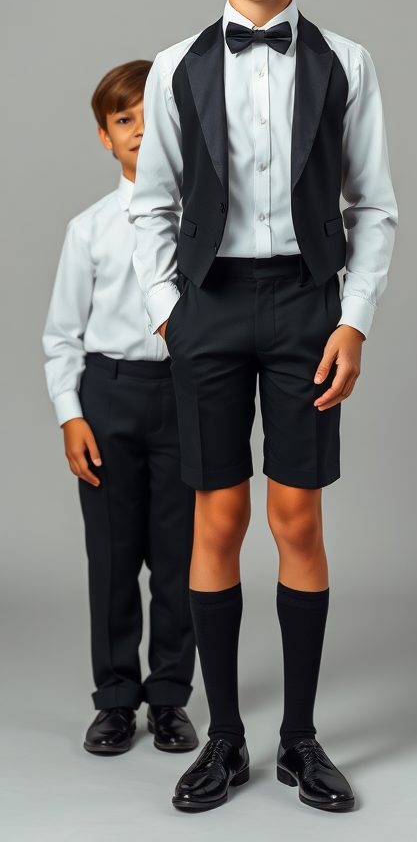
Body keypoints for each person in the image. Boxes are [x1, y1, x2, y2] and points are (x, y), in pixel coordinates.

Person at [130, 0, 397, 811]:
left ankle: (299, 739)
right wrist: (169, 310)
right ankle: (227, 740)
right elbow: (149, 205)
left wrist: (353, 322)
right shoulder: (175, 68)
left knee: (295, 517)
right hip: (207, 306)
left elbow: (375, 207)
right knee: (218, 517)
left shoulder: (347, 63)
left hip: (303, 307)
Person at [43, 61, 198, 757]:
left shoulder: (207, 225)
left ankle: (169, 697)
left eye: (150, 116)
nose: (139, 131)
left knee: (179, 558)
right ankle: (114, 698)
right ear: (105, 137)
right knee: (111, 557)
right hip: (108, 397)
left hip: (184, 395)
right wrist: (70, 415)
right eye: (123, 119)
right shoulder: (89, 230)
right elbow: (60, 335)